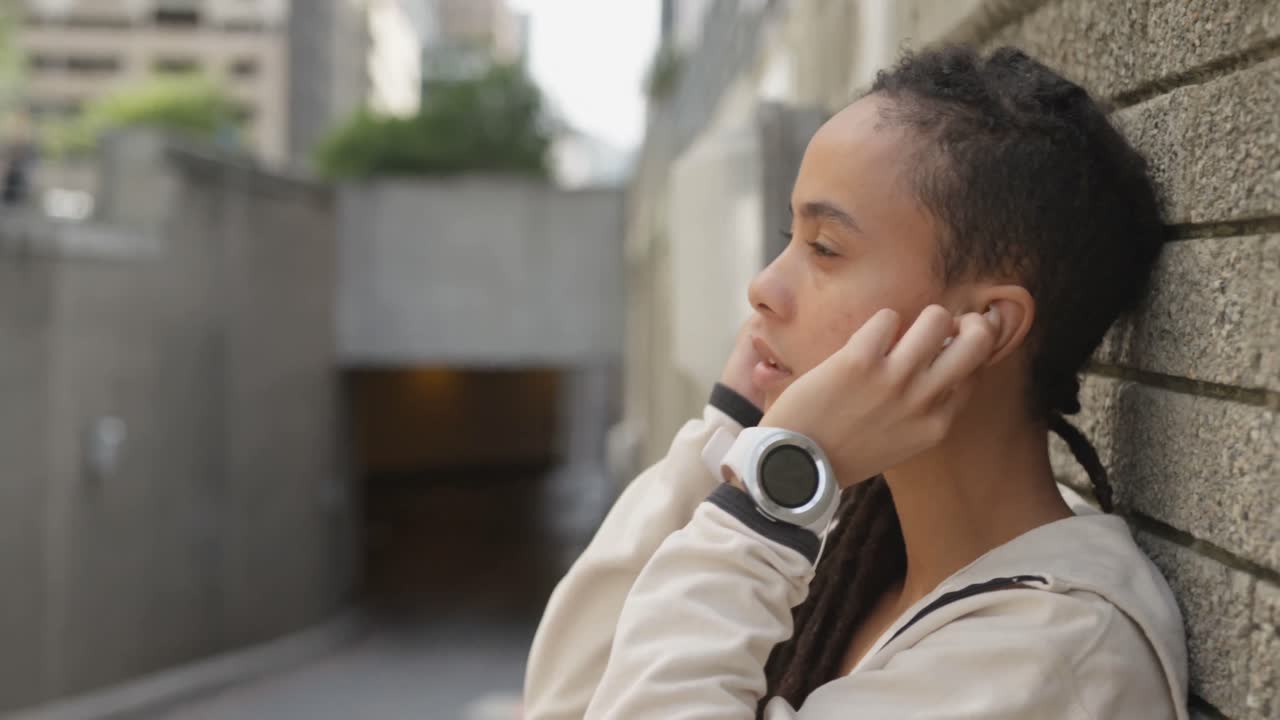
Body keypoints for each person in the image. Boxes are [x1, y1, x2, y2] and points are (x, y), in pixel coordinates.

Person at [524, 46, 1188, 719]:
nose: (764, 287)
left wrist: (774, 492)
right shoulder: (852, 542)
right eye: (790, 234)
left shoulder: (1050, 658)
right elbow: (566, 702)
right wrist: (734, 431)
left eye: (825, 248)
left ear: (981, 324)